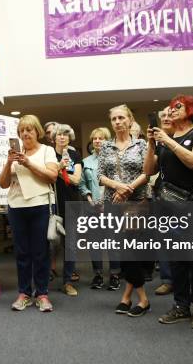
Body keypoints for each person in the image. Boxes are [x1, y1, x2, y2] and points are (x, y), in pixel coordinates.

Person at [144, 95, 193, 330]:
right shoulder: (165, 138)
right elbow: (148, 171)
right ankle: (181, 305)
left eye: (177, 107)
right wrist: (153, 144)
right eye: (169, 109)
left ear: (191, 109)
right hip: (170, 205)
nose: (170, 112)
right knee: (176, 256)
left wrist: (167, 140)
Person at [0, 115, 58, 313]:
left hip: (40, 205)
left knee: (40, 251)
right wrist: (9, 163)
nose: (25, 133)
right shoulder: (15, 154)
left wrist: (28, 163)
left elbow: (52, 176)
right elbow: (3, 183)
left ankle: (42, 294)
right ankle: (24, 293)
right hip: (16, 207)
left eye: (29, 129)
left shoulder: (47, 151)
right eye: (22, 130)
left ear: (37, 131)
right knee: (22, 252)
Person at [98, 105, 149, 316]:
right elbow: (100, 175)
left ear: (130, 120)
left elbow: (147, 172)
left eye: (121, 118)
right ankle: (131, 296)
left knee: (131, 251)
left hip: (135, 203)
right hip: (113, 203)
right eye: (114, 119)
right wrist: (117, 186)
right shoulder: (106, 147)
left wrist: (127, 189)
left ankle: (140, 299)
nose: (117, 122)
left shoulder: (141, 144)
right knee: (122, 251)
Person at [78, 127, 121, 290]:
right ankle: (97, 275)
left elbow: (120, 182)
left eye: (101, 138)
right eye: (94, 138)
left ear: (107, 141)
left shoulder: (115, 159)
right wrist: (89, 199)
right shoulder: (86, 162)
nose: (97, 141)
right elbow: (82, 184)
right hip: (92, 208)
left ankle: (115, 275)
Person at [52, 124, 83, 296]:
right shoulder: (48, 154)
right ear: (54, 137)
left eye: (65, 135)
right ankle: (43, 279)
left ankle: (68, 281)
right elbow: (45, 174)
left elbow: (77, 180)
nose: (62, 137)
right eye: (59, 134)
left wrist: (57, 171)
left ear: (69, 138)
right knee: (50, 244)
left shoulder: (74, 155)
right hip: (52, 203)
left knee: (70, 244)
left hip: (72, 203)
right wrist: (58, 167)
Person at [153, 107, 174, 296]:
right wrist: (152, 143)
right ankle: (168, 280)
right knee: (163, 239)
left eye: (170, 115)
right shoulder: (158, 142)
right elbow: (150, 169)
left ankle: (189, 278)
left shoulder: (189, 136)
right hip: (163, 194)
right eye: (163, 116)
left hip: (188, 197)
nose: (166, 118)